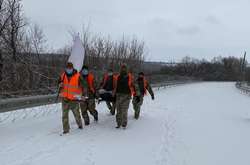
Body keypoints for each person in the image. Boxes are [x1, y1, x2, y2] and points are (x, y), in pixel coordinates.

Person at [58, 62, 83, 134]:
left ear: (72, 68)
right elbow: (58, 83)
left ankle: (80, 124)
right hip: (65, 99)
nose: (68, 69)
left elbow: (83, 85)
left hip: (74, 99)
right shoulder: (62, 75)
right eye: (67, 68)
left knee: (77, 114)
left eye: (70, 68)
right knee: (64, 115)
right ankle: (66, 130)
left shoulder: (78, 76)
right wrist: (60, 84)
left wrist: (82, 95)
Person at [113, 64, 135, 129]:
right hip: (118, 96)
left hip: (126, 96)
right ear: (121, 69)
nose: (123, 69)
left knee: (124, 111)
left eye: (125, 68)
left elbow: (134, 86)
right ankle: (118, 123)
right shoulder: (117, 77)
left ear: (126, 69)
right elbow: (115, 86)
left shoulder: (130, 77)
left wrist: (136, 94)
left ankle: (124, 124)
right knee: (118, 110)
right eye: (122, 68)